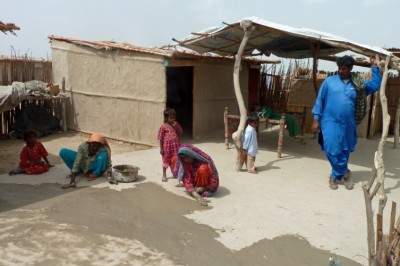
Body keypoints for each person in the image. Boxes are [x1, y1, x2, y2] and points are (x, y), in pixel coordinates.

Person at [311, 55, 382, 190]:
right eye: (339, 68)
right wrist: (316, 119)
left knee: (344, 150)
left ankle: (334, 176)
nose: (340, 71)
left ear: (350, 69)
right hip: (329, 122)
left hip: (348, 124)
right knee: (330, 149)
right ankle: (345, 173)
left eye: (344, 69)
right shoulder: (329, 82)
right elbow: (320, 100)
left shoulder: (358, 84)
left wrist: (374, 68)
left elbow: (374, 85)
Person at [158, 108, 183, 182]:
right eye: (171, 118)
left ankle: (175, 173)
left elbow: (180, 133)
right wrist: (161, 148)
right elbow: (161, 138)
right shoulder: (163, 127)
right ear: (166, 118)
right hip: (167, 148)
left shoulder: (176, 124)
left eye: (174, 117)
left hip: (176, 146)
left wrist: (177, 127)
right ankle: (164, 175)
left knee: (176, 159)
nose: (173, 119)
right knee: (166, 160)